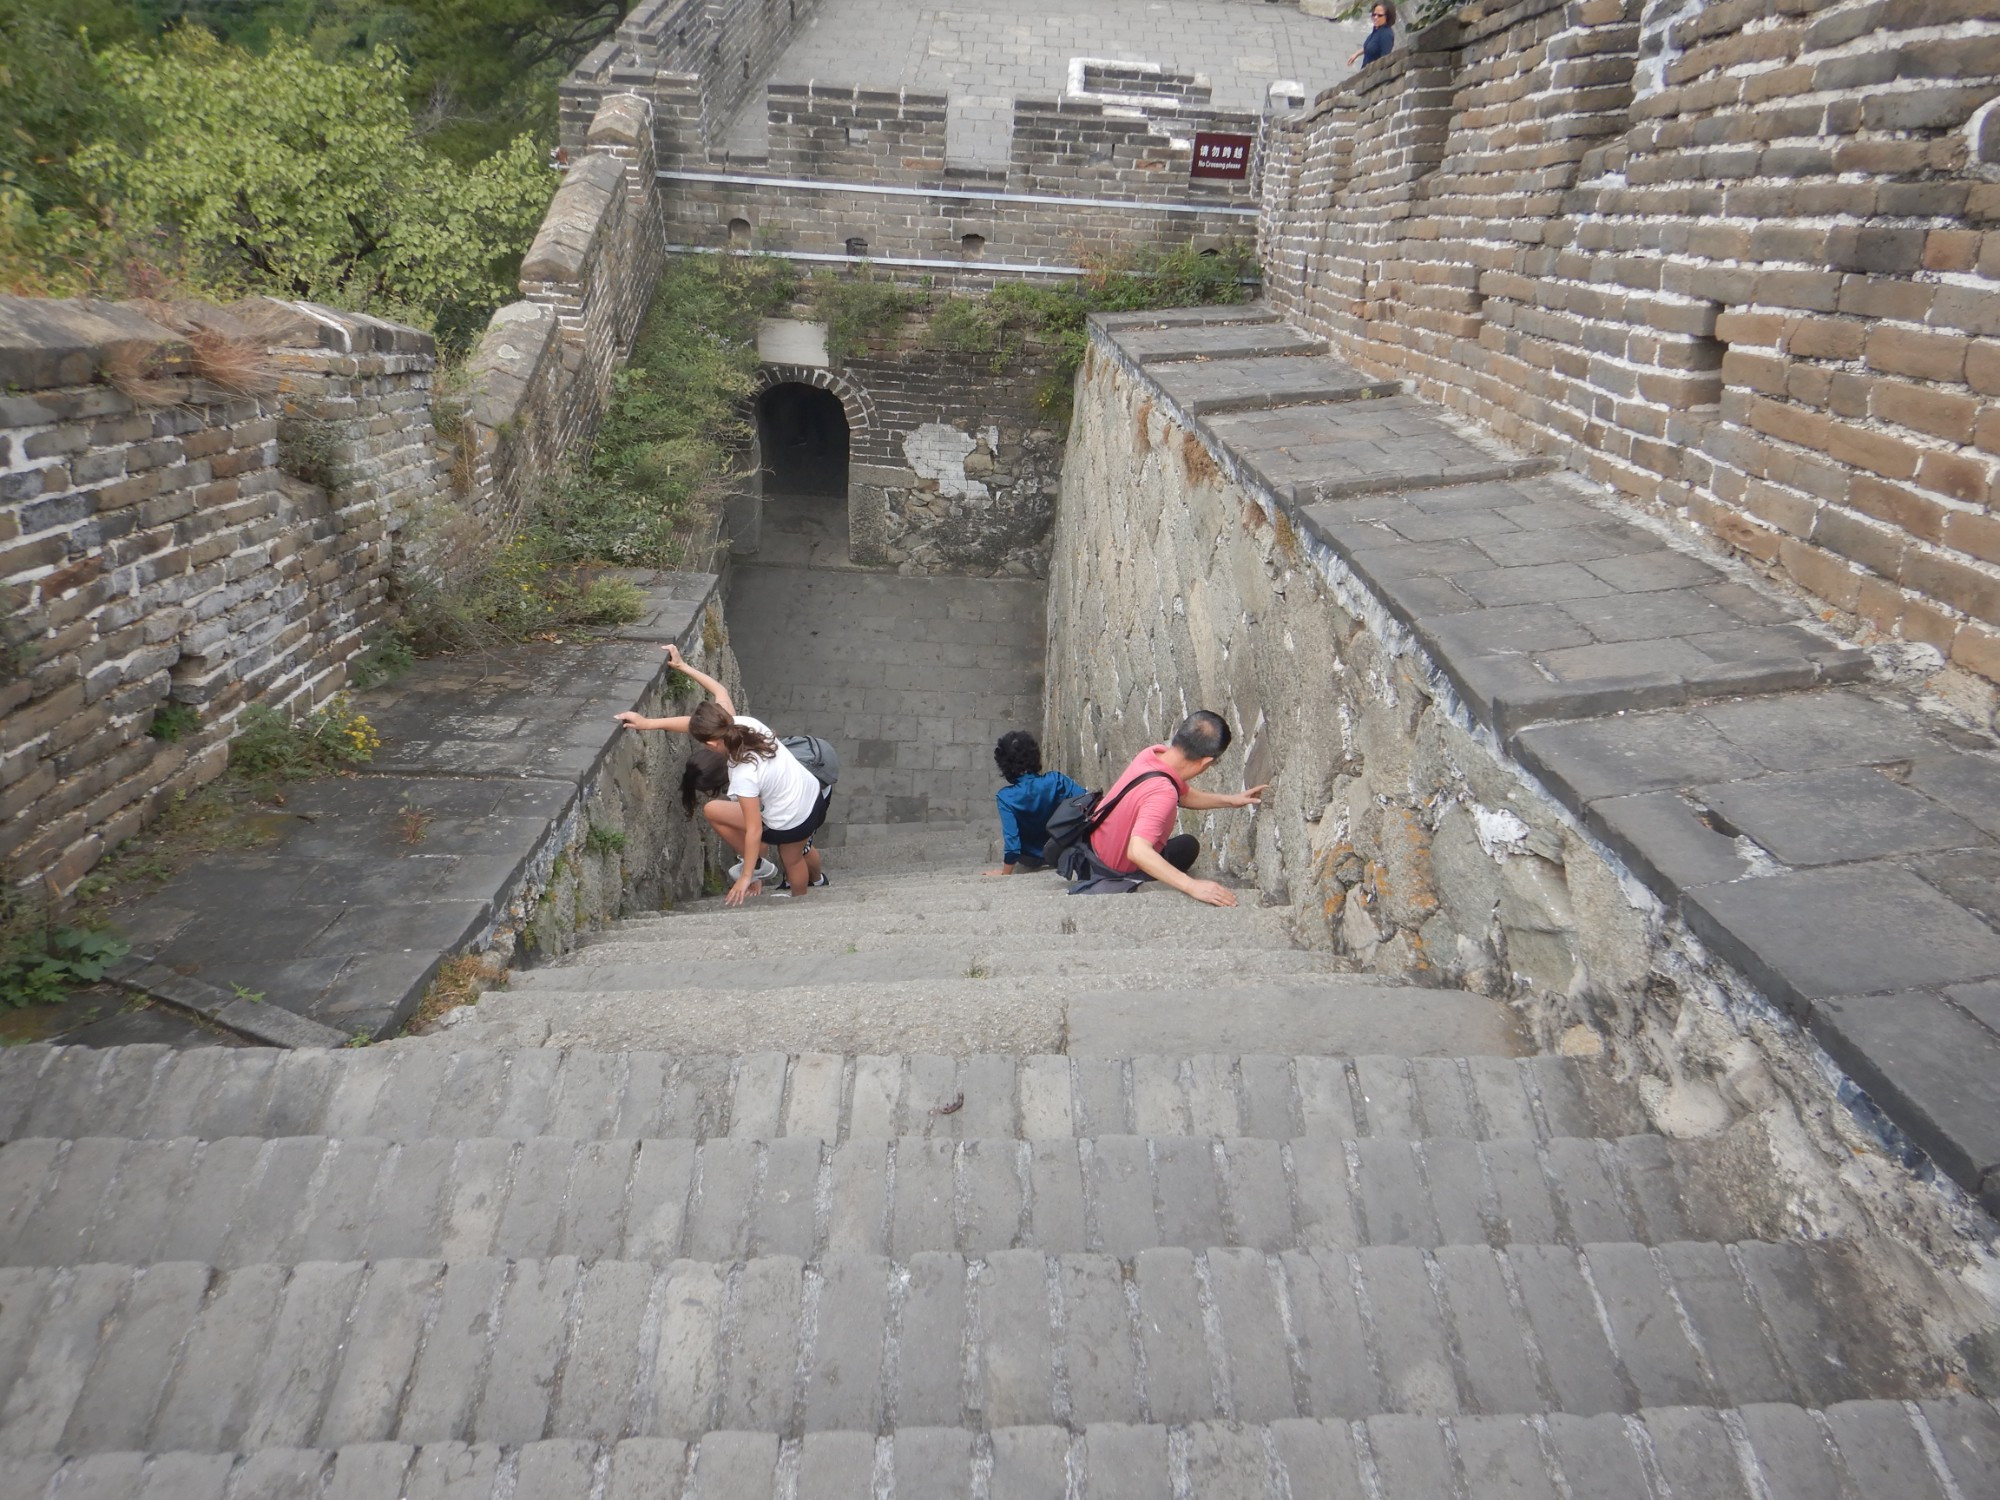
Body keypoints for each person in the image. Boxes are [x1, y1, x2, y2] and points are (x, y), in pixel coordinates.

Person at [616, 644, 830, 904]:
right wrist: (678, 674)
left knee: (792, 858)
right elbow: (720, 691)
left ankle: (797, 901)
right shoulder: (744, 725)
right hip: (813, 796)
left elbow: (753, 830)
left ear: (710, 745)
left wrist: (746, 876)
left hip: (791, 821)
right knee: (795, 852)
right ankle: (801, 892)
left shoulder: (743, 774)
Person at [1082, 710, 1267, 907]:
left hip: (1092, 850)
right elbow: (1137, 851)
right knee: (1186, 848)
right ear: (1206, 762)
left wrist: (1231, 800)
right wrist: (1192, 886)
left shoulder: (1153, 755)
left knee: (1185, 844)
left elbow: (1183, 793)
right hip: (1114, 871)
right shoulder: (1163, 794)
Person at [983, 730, 1086, 876]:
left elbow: (1013, 845)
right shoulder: (1057, 780)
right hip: (1060, 849)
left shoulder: (1005, 797)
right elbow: (1087, 801)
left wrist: (1004, 873)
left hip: (1030, 859)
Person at [1349, 1, 1395, 66]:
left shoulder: (1386, 35)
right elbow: (1370, 47)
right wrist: (1356, 54)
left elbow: (1384, 60)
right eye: (1374, 14)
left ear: (1388, 17)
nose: (1375, 17)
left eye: (1380, 15)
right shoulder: (1377, 29)